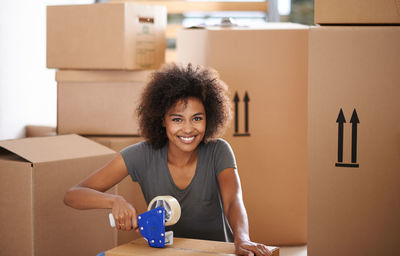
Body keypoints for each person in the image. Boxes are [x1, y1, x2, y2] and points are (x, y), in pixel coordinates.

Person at [64, 63, 272, 256]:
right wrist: (114, 201)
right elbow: (73, 195)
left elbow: (233, 202)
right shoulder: (141, 155)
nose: (188, 128)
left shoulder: (219, 151)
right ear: (162, 120)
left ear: (209, 118)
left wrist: (242, 238)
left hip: (215, 251)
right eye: (177, 119)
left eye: (197, 118)